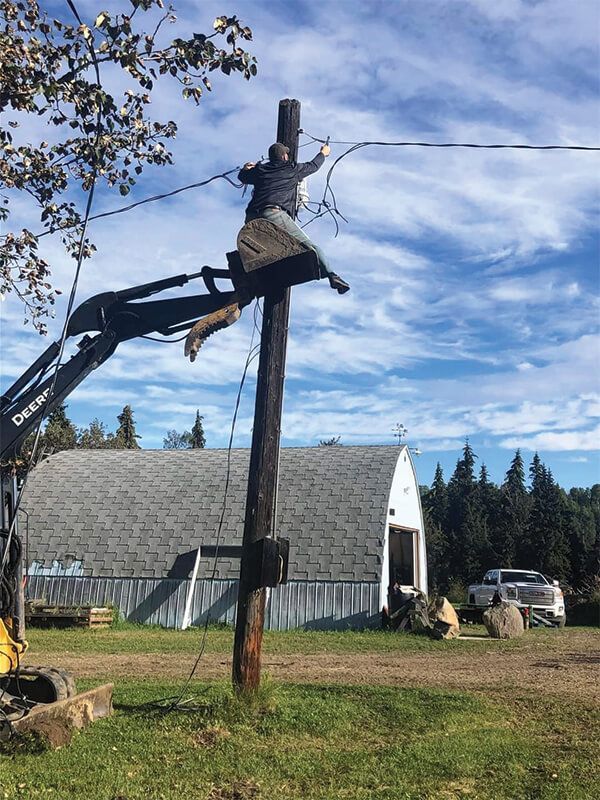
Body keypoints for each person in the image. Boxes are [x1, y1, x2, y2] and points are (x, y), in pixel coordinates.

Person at [238, 142, 350, 294]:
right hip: (273, 214)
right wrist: (324, 153)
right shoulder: (292, 169)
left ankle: (258, 273)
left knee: (269, 251)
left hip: (251, 218)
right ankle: (332, 275)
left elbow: (242, 176)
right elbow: (314, 165)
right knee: (311, 248)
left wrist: (246, 167)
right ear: (284, 156)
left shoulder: (260, 170)